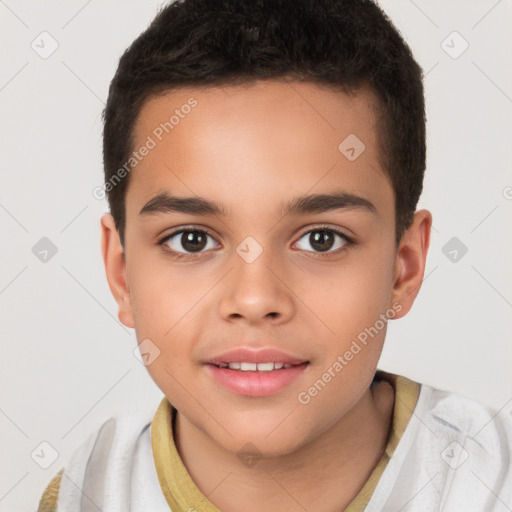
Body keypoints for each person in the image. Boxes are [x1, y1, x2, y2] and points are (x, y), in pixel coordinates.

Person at [37, 0, 512, 510]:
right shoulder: (87, 492)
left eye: (321, 239)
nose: (255, 299)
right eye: (192, 240)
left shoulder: (489, 483)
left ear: (405, 267)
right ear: (121, 272)